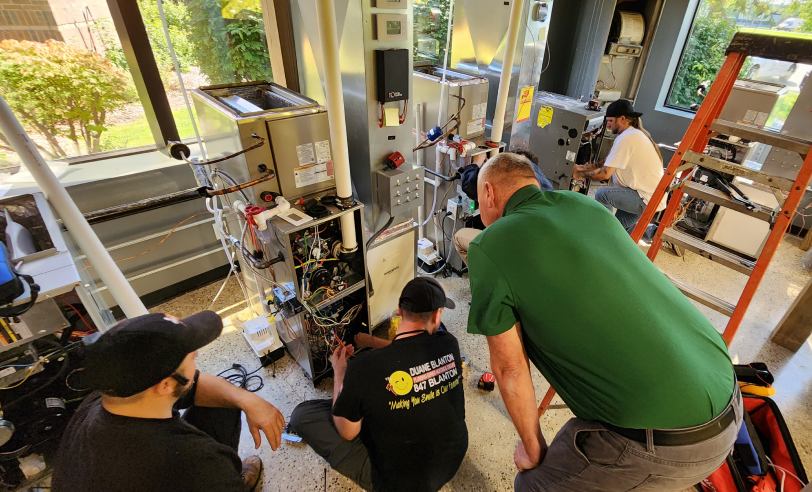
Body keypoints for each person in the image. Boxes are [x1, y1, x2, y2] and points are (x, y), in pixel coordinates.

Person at [467, 153, 739, 492]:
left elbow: (509, 369)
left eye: (479, 198)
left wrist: (533, 447)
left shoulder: (489, 244)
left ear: (489, 193)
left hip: (672, 442)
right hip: (726, 388)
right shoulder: (588, 205)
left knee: (533, 484)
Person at [52, 311, 286, 492]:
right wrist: (218, 479)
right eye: (190, 353)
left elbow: (195, 383)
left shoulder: (107, 396)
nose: (196, 354)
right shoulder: (192, 463)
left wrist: (247, 399)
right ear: (165, 385)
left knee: (223, 403)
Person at [290, 277, 468, 492]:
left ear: (400, 312)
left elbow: (347, 433)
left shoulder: (363, 368)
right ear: (438, 315)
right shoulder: (449, 344)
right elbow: (407, 350)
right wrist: (370, 342)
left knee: (303, 414)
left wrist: (339, 372)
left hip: (400, 484)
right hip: (451, 461)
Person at [573, 99, 665, 237]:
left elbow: (605, 174)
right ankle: (651, 233)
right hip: (647, 196)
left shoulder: (627, 138)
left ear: (622, 119)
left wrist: (580, 175)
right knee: (618, 232)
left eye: (610, 121)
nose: (608, 125)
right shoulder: (632, 134)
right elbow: (606, 162)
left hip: (644, 198)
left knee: (602, 195)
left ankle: (599, 235)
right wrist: (580, 167)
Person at [454, 148, 552, 266]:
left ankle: (488, 276)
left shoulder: (513, 172)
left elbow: (470, 183)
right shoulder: (545, 185)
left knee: (459, 237)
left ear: (521, 157)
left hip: (518, 253)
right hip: (542, 252)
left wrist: (476, 163)